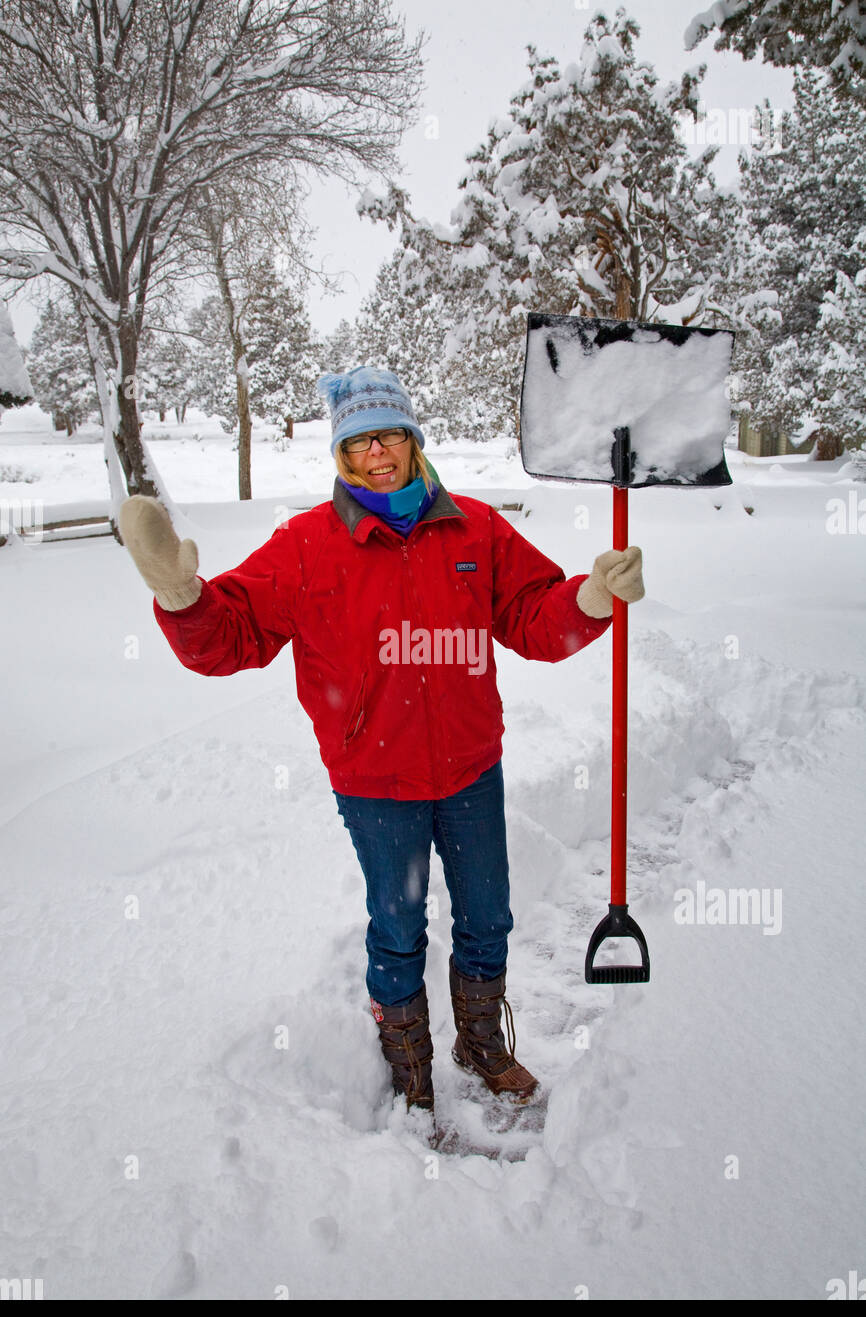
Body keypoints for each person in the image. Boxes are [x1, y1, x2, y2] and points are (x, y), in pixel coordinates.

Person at [118, 366, 644, 1122]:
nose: (378, 453)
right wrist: (181, 596)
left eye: (391, 434)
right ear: (340, 454)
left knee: (488, 915)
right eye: (360, 441)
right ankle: (410, 1063)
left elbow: (535, 617)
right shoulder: (305, 546)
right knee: (398, 926)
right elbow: (229, 636)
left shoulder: (475, 530)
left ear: (414, 442)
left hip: (469, 768)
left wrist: (591, 598)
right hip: (374, 780)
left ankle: (479, 1043)